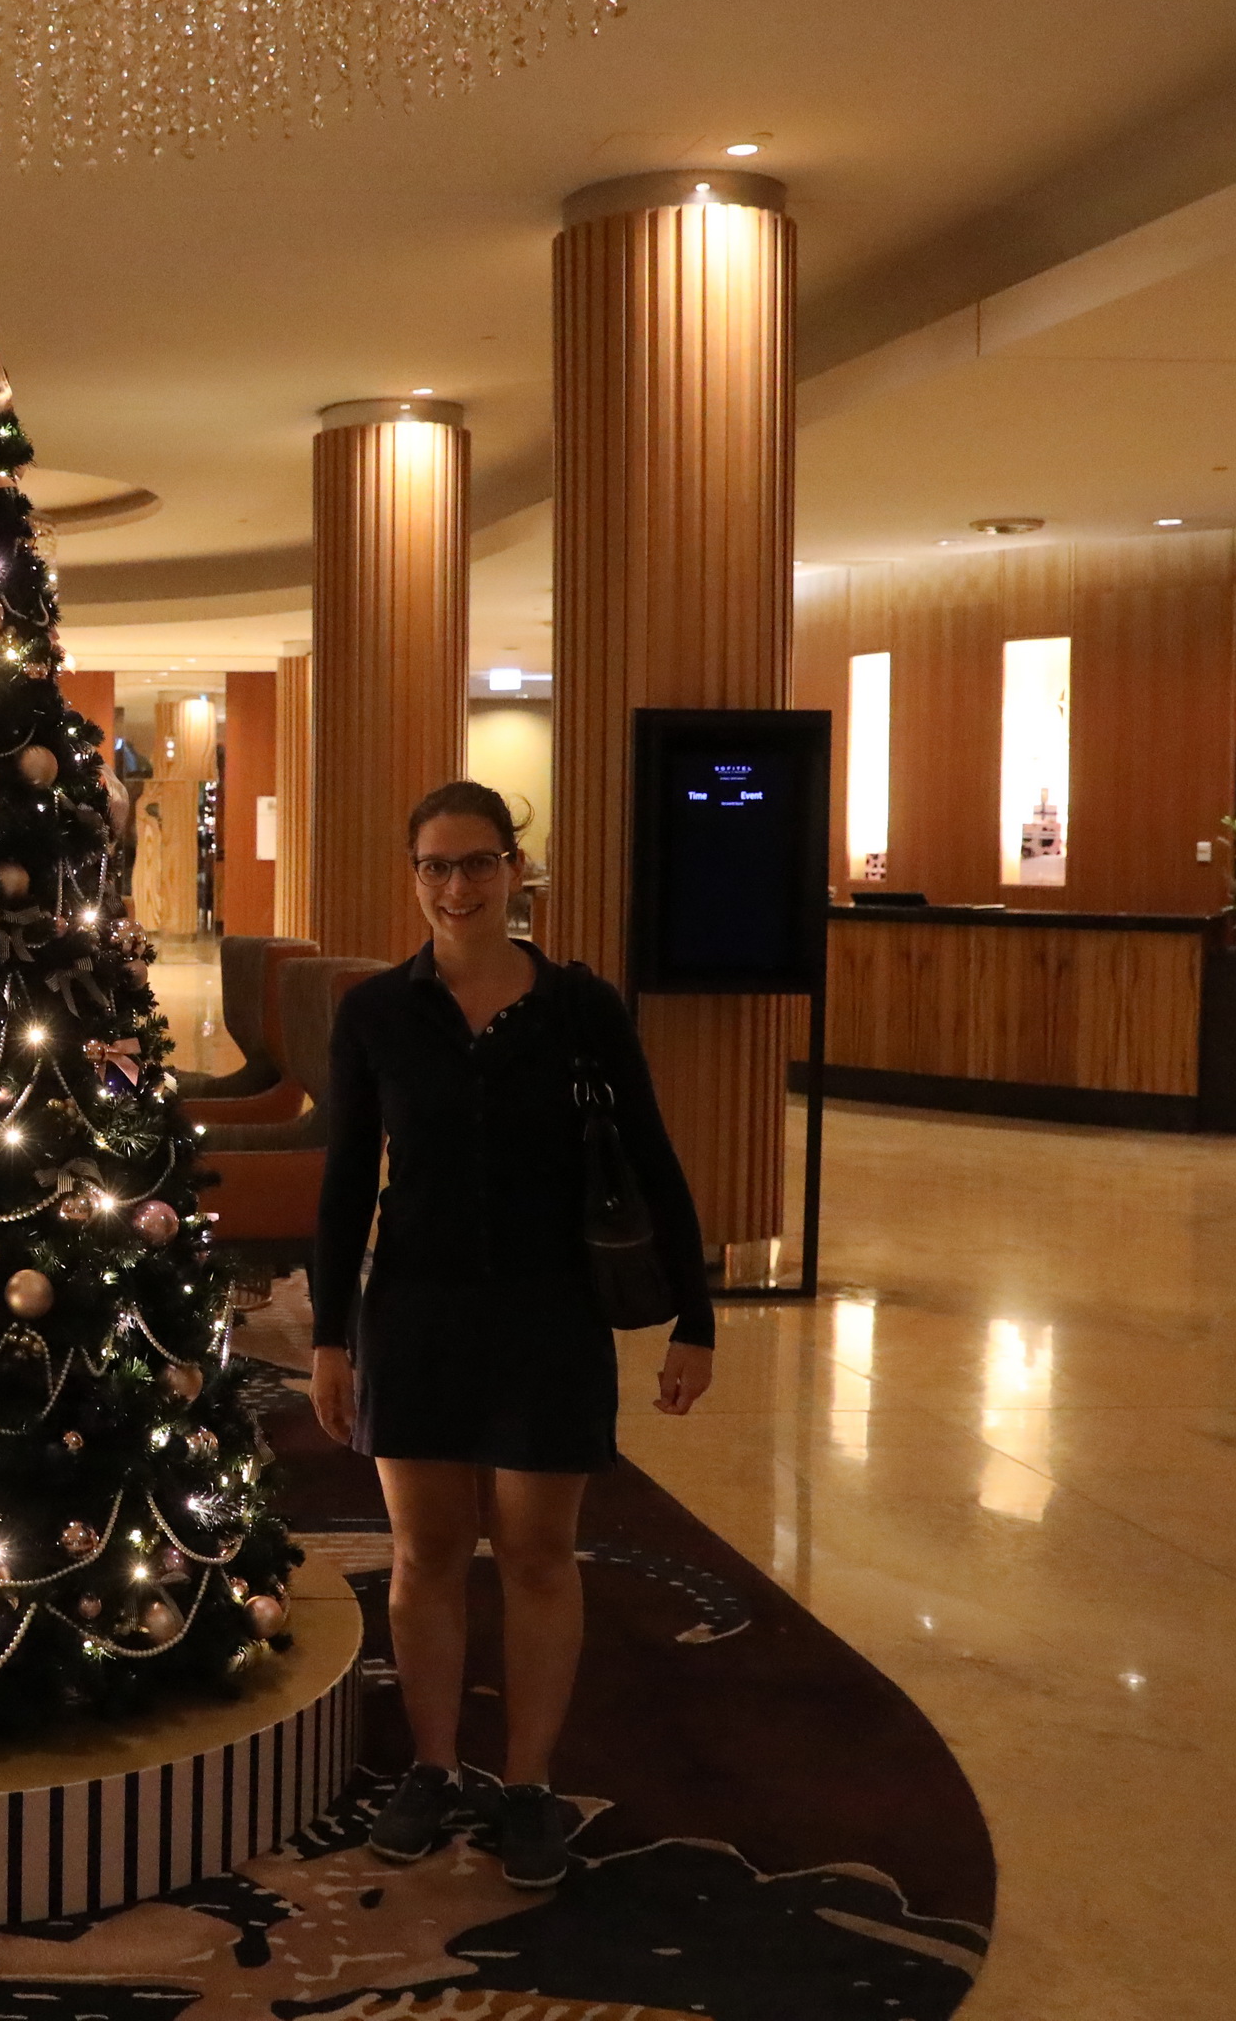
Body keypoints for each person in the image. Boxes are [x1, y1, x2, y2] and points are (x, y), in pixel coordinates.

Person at [308, 779, 714, 1889]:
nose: (457, 887)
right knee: (427, 1551)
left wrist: (698, 1313)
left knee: (538, 1554)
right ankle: (434, 1765)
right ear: (414, 875)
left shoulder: (582, 1006)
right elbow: (347, 1185)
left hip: (549, 1312)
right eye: (435, 866)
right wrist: (331, 1335)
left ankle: (528, 1782)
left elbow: (655, 1157)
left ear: (516, 868)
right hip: (417, 1310)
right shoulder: (376, 1012)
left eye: (478, 863)